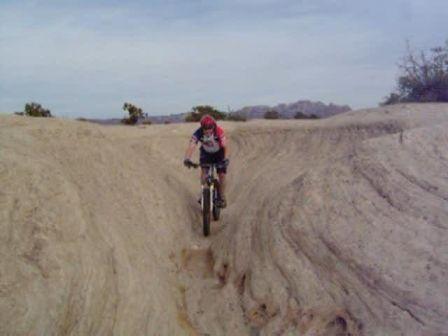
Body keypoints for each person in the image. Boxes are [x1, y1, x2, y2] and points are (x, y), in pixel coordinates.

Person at [183, 114, 229, 208]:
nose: (207, 131)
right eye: (205, 128)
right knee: (204, 172)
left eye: (210, 128)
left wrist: (226, 158)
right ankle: (204, 193)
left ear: (213, 126)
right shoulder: (198, 132)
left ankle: (222, 197)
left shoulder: (218, 131)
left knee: (222, 174)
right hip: (206, 153)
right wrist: (187, 158)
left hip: (219, 153)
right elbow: (192, 145)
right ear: (202, 127)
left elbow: (225, 146)